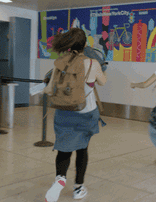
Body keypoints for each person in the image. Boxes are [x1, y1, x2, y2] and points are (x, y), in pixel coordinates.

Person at [44, 28, 107, 202]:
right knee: (82, 149)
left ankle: (60, 179)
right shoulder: (92, 63)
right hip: (86, 113)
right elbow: (102, 81)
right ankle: (78, 188)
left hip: (63, 113)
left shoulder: (60, 62)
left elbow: (49, 90)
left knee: (63, 149)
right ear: (85, 44)